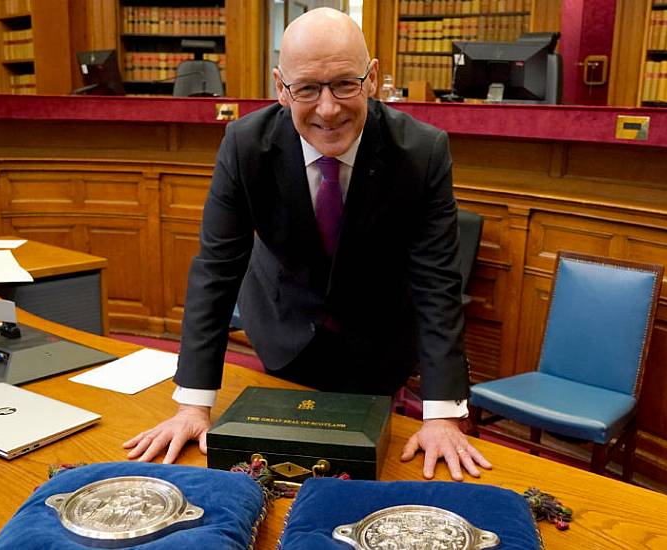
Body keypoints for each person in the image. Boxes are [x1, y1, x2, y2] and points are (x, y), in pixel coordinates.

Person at [124, 8, 491, 481]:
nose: (328, 108)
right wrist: (193, 404)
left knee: (369, 474)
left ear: (372, 78)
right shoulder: (243, 145)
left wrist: (441, 415)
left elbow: (438, 280)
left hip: (380, 335)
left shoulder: (421, 151)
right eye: (307, 89)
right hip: (283, 328)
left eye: (344, 83)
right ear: (281, 87)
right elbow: (217, 270)